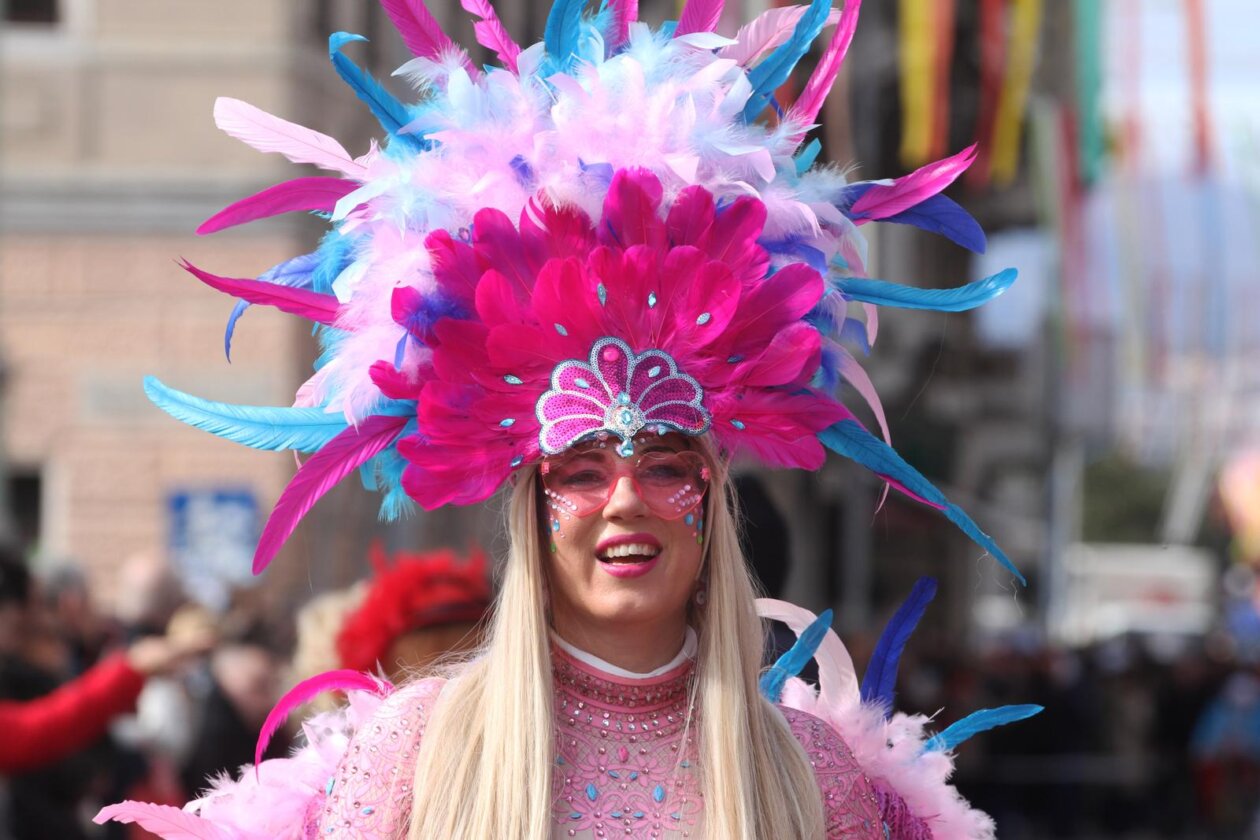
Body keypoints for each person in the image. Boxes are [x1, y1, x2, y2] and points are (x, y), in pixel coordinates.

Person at [98, 1, 1036, 836]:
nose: (624, 498)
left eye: (665, 464)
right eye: (582, 471)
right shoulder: (419, 753)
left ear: (711, 497)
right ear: (530, 503)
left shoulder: (809, 774)